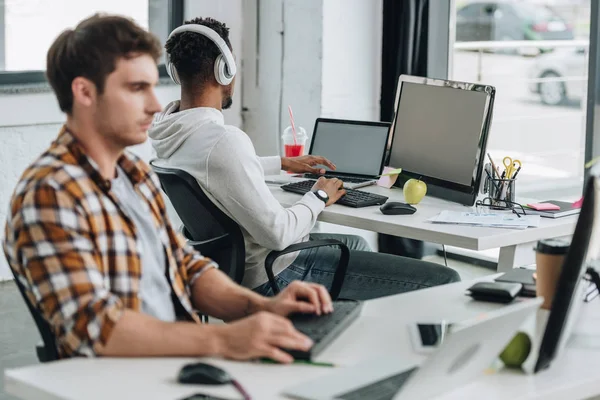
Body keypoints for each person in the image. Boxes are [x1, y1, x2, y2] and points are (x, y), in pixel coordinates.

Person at [2, 14, 334, 363]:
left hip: (177, 362)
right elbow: (96, 328)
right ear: (84, 92)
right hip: (127, 381)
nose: (156, 105)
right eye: (136, 88)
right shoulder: (50, 194)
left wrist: (262, 306)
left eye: (152, 85)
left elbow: (183, 265)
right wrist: (225, 339)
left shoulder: (131, 174)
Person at [148, 17, 460, 300]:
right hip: (275, 274)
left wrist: (281, 163)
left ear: (176, 72)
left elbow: (213, 169)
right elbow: (278, 232)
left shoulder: (171, 130)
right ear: (224, 70)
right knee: (446, 278)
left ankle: (337, 328)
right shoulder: (224, 141)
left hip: (226, 269)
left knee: (357, 245)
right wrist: (319, 195)